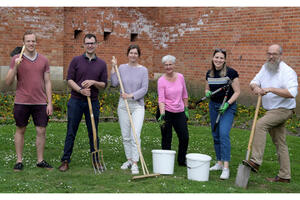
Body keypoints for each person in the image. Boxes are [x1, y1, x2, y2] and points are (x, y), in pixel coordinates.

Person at [243, 44, 298, 183]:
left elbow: (292, 93)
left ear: (281, 55)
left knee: (260, 124)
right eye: (269, 53)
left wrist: (271, 89)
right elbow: (254, 82)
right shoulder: (266, 67)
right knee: (280, 142)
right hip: (271, 109)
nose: (271, 57)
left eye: (274, 54)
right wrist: (256, 88)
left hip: (283, 109)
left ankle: (255, 160)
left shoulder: (287, 71)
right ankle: (285, 176)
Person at [58, 33, 108, 172]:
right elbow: (69, 80)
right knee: (71, 131)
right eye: (87, 43)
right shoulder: (76, 60)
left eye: (92, 43)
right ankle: (65, 160)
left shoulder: (102, 64)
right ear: (84, 45)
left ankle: (96, 160)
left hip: (93, 102)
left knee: (93, 131)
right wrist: (81, 90)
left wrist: (93, 82)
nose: (90, 45)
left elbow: (104, 84)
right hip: (76, 101)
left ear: (96, 45)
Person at [5, 30, 53, 171]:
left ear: (36, 42)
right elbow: (8, 82)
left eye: (33, 41)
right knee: (21, 129)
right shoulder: (16, 59)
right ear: (24, 43)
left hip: (40, 102)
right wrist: (16, 67)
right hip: (22, 101)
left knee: (41, 130)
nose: (31, 43)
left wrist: (49, 102)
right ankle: (19, 161)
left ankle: (40, 160)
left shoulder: (44, 60)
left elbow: (48, 82)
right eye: (28, 41)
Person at [111, 44, 148, 175]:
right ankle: (129, 160)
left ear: (138, 55)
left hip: (137, 105)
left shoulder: (143, 70)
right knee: (126, 135)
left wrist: (131, 95)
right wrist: (113, 67)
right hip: (123, 105)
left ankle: (135, 163)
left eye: (135, 53)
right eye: (131, 53)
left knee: (135, 134)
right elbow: (115, 83)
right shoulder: (121, 68)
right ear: (128, 54)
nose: (133, 55)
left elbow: (144, 89)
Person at [205, 48, 240, 180]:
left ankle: (226, 167)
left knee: (224, 134)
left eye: (221, 58)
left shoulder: (231, 73)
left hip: (227, 107)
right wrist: (207, 93)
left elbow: (237, 92)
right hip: (213, 106)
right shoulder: (209, 73)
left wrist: (228, 104)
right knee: (215, 134)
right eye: (216, 57)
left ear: (225, 60)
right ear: (213, 58)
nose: (218, 60)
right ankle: (219, 162)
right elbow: (207, 88)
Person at [157, 55, 189, 167]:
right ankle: (166, 161)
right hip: (166, 111)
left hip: (179, 110)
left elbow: (185, 94)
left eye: (170, 64)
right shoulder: (161, 81)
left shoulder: (180, 77)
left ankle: (181, 160)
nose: (168, 67)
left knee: (184, 137)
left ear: (174, 65)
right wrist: (162, 114)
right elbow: (161, 99)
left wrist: (186, 109)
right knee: (167, 137)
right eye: (166, 65)